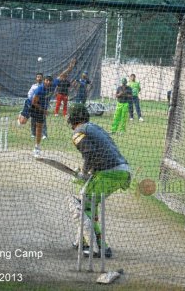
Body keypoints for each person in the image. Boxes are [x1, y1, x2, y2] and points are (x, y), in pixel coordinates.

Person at [66, 103, 131, 258]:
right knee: (89, 203)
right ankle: (82, 240)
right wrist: (90, 173)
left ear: (73, 120)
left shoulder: (78, 132)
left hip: (109, 173)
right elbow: (101, 153)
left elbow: (90, 153)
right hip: (121, 171)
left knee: (83, 205)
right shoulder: (94, 127)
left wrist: (84, 171)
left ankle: (100, 248)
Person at [31, 59, 76, 157]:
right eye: (46, 80)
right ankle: (22, 117)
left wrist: (70, 67)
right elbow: (33, 102)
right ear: (44, 81)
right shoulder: (40, 89)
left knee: (39, 127)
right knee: (23, 121)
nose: (48, 82)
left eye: (50, 80)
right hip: (34, 107)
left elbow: (62, 75)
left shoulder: (53, 85)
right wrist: (44, 110)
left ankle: (37, 148)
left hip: (42, 109)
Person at [17, 73, 48, 139]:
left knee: (42, 119)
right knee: (23, 122)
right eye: (38, 77)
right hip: (30, 104)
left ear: (42, 78)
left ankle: (44, 134)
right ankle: (33, 134)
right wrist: (33, 103)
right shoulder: (34, 86)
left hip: (38, 105)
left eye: (40, 77)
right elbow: (29, 95)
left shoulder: (44, 87)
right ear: (36, 79)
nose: (39, 78)